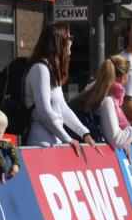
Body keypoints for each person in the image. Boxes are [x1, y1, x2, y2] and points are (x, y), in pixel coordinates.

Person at [24, 23, 100, 155]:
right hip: (41, 143)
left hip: (55, 141)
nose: (71, 41)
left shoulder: (51, 69)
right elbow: (44, 111)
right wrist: (68, 138)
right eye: (69, 38)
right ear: (59, 42)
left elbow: (62, 108)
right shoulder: (40, 69)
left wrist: (84, 133)